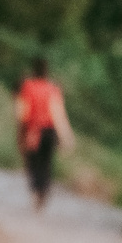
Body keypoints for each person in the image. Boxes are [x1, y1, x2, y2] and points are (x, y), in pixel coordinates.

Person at [16, 58, 73, 211]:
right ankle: (43, 191)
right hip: (49, 131)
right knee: (46, 163)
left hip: (33, 131)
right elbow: (58, 114)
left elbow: (23, 112)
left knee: (33, 162)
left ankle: (36, 190)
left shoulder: (28, 87)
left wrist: (20, 133)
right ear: (47, 72)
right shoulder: (53, 88)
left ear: (33, 70)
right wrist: (66, 136)